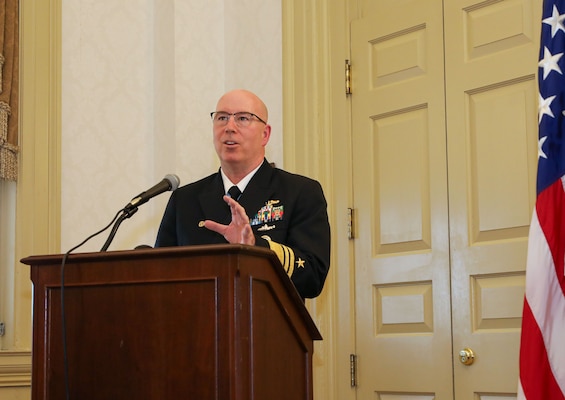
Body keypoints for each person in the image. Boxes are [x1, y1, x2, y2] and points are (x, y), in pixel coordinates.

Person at [154, 89, 330, 298]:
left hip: (266, 326)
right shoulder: (185, 199)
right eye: (222, 118)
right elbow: (160, 278)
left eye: (243, 118)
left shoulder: (299, 192)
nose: (229, 127)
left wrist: (256, 247)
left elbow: (313, 278)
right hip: (198, 325)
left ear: (265, 134)